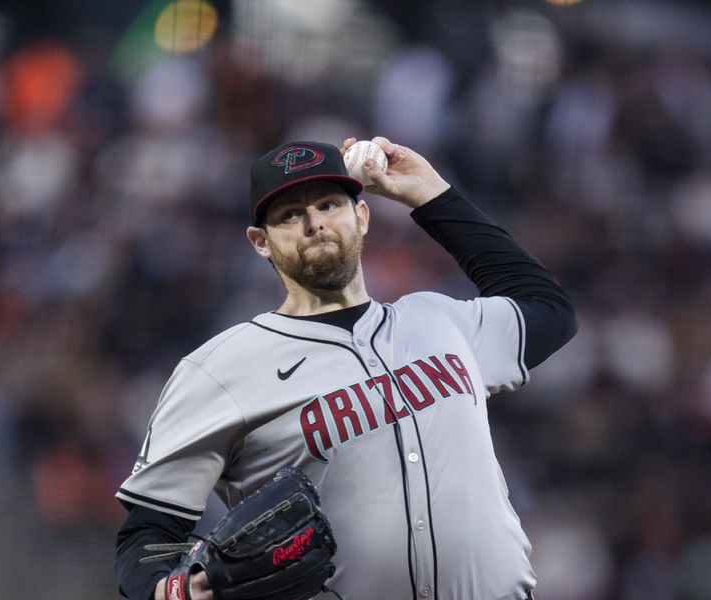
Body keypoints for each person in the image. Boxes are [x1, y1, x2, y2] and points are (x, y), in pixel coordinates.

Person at [114, 136, 577, 600]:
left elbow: (548, 308)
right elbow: (148, 534)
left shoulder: (441, 320)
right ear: (261, 242)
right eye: (290, 215)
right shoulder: (217, 371)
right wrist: (174, 592)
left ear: (362, 215)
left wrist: (430, 193)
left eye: (329, 204)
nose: (314, 223)